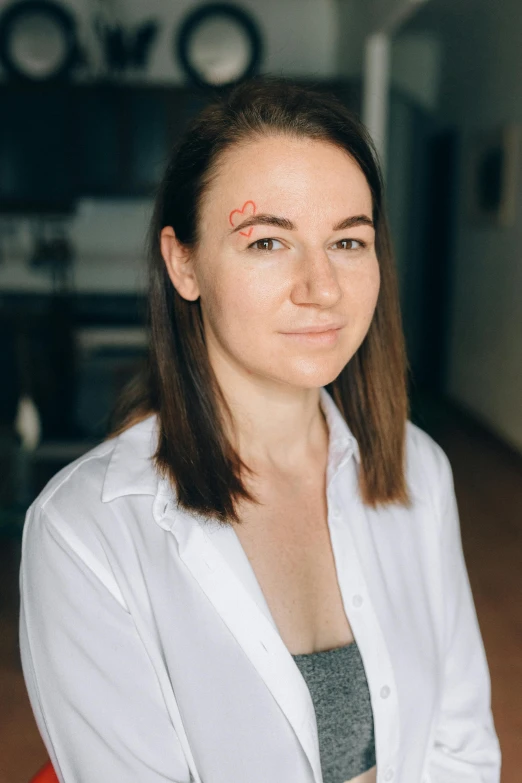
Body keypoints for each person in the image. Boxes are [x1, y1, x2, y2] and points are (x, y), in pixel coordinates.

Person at [19, 76, 501, 783]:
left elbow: (460, 749)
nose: (322, 286)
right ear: (183, 263)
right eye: (268, 242)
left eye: (347, 241)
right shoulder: (84, 531)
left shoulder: (416, 469)